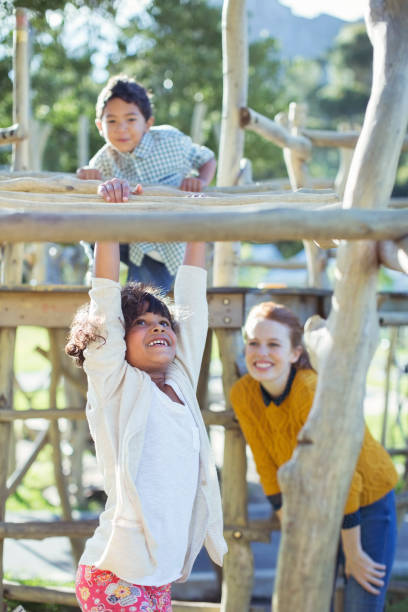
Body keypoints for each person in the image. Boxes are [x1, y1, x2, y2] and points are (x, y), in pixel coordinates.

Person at [65, 178, 226, 611]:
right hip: (116, 573)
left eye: (163, 322)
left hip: (159, 576)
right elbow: (104, 303)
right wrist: (110, 216)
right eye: (141, 323)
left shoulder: (179, 382)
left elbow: (193, 302)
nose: (158, 327)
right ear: (119, 339)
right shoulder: (118, 385)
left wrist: (196, 220)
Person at [230, 300, 398, 611]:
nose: (261, 352)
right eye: (253, 343)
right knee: (307, 599)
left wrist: (354, 552)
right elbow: (265, 465)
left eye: (273, 344)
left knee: (361, 598)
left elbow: (345, 476)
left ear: (295, 353)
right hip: (313, 504)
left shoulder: (310, 393)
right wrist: (290, 524)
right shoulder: (243, 393)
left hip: (365, 496)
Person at [77, 74, 217, 292]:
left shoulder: (171, 142)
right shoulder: (102, 160)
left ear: (148, 123)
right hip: (126, 236)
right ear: (100, 126)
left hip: (164, 246)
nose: (121, 128)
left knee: (142, 300)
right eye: (111, 121)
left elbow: (207, 158)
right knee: (89, 220)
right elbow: (91, 187)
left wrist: (200, 181)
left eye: (131, 120)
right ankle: (97, 273)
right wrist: (88, 178)